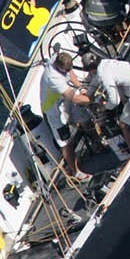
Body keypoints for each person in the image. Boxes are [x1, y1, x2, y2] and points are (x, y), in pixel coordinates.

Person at [40, 51, 92, 180]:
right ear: (59, 68)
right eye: (65, 70)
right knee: (65, 142)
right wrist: (94, 98)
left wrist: (81, 87)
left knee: (85, 117)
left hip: (63, 99)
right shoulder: (54, 78)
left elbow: (71, 73)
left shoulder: (58, 58)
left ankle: (97, 144)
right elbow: (75, 98)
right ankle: (76, 172)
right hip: (53, 109)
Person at [83, 52, 130, 152]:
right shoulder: (106, 63)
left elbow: (115, 101)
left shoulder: (103, 74)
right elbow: (96, 80)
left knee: (123, 124)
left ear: (91, 69)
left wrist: (104, 107)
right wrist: (88, 93)